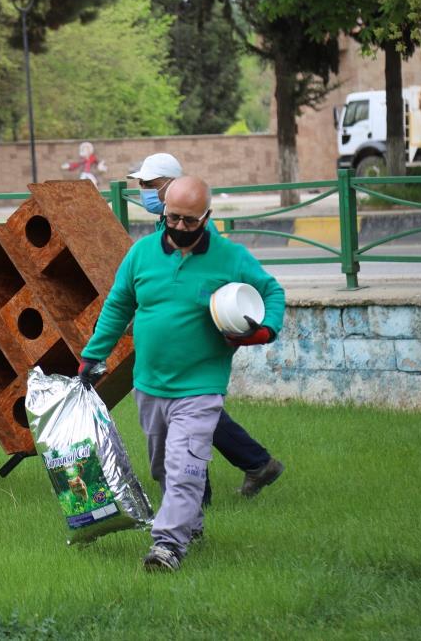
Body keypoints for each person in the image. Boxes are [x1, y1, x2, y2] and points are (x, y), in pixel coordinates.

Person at [80, 176, 285, 571]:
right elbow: (118, 306)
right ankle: (190, 524)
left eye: (190, 221)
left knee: (184, 463)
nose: (179, 227)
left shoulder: (230, 257)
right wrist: (92, 356)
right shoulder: (141, 255)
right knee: (161, 466)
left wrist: (263, 329)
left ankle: (168, 546)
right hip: (150, 385)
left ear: (207, 217)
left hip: (200, 386)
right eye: (173, 217)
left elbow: (272, 291)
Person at [128, 153, 285, 505]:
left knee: (196, 419)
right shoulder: (160, 232)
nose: (143, 193)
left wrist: (262, 330)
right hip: (171, 361)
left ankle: (219, 485)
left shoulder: (200, 235)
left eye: (149, 186)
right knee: (194, 421)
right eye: (140, 186)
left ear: (171, 186)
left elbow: (254, 287)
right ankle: (251, 467)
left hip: (200, 352)